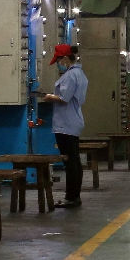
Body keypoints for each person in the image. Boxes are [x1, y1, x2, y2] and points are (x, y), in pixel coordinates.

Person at [44, 43, 88, 209]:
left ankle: (71, 197)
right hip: (72, 121)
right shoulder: (79, 73)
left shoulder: (70, 75)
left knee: (70, 162)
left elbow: (64, 98)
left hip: (66, 123)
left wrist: (49, 97)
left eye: (58, 61)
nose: (58, 64)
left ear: (64, 58)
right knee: (74, 161)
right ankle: (74, 196)